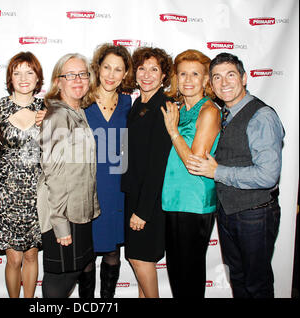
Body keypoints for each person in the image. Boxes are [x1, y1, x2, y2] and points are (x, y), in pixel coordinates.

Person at [186, 53, 285, 298]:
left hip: (256, 212)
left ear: (244, 78)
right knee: (239, 280)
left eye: (230, 75)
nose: (224, 83)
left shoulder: (261, 116)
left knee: (256, 284)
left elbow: (268, 175)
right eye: (217, 77)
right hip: (229, 212)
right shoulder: (225, 114)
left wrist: (217, 171)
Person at [37, 53, 100, 298]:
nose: (78, 79)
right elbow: (52, 174)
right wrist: (60, 225)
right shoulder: (58, 116)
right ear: (58, 82)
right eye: (70, 75)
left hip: (79, 210)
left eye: (83, 73)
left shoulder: (77, 111)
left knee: (73, 271)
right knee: (59, 280)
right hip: (62, 213)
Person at [160, 49, 221, 298]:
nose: (187, 79)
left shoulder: (209, 111)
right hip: (172, 199)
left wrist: (173, 132)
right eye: (183, 73)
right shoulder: (180, 108)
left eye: (195, 74)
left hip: (195, 202)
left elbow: (195, 163)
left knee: (190, 274)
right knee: (176, 272)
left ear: (206, 79)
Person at [0, 52, 45, 298]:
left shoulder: (48, 108)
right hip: (5, 192)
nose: (23, 78)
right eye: (17, 72)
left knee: (32, 254)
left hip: (37, 191)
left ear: (38, 78)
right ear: (10, 77)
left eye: (29, 72)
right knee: (13, 257)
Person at [80, 43, 133, 298]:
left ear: (125, 74)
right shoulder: (82, 100)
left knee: (113, 252)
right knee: (86, 253)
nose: (111, 75)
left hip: (117, 189)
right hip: (88, 187)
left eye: (118, 69)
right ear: (97, 68)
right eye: (107, 67)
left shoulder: (129, 103)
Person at [121, 47, 174, 298]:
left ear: (164, 75)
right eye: (142, 68)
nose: (147, 74)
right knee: (139, 261)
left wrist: (142, 211)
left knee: (140, 260)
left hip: (148, 201)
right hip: (135, 195)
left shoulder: (164, 107)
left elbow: (158, 165)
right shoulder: (137, 104)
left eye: (154, 69)